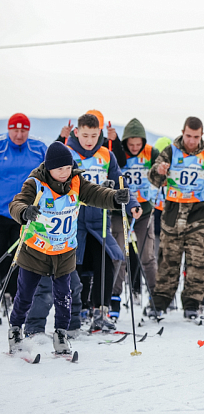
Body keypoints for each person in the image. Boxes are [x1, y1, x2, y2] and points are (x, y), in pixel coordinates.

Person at [7, 142, 129, 354]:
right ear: (49, 168)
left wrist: (114, 198)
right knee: (25, 293)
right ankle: (16, 328)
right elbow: (16, 204)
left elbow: (96, 194)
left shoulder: (76, 182)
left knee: (65, 295)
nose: (64, 173)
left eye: (67, 168)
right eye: (59, 169)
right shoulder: (36, 184)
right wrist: (25, 211)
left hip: (63, 251)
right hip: (35, 250)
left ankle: (61, 334)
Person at [147, 117, 204, 320]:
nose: (192, 141)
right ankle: (160, 301)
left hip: (198, 215)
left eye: (196, 137)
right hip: (172, 215)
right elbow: (154, 177)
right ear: (183, 132)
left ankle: (193, 303)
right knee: (168, 261)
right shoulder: (171, 151)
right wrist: (159, 170)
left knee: (198, 262)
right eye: (189, 136)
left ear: (202, 136)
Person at [67, 114, 140, 332]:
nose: (89, 140)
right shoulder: (67, 152)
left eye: (94, 135)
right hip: (74, 221)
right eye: (85, 135)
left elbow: (120, 182)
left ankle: (100, 311)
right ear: (77, 132)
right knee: (75, 266)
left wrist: (132, 203)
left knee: (107, 261)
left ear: (99, 133)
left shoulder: (106, 155)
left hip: (100, 220)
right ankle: (74, 312)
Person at [110, 118, 160, 318]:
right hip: (120, 211)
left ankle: (156, 298)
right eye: (131, 144)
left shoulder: (151, 152)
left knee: (147, 256)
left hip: (144, 210)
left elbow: (159, 170)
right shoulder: (117, 152)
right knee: (119, 256)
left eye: (138, 144)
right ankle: (114, 298)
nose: (135, 147)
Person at [0, 113, 46, 308]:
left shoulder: (38, 149)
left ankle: (16, 295)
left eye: (23, 131)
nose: (19, 135)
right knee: (3, 253)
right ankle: (3, 291)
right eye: (15, 130)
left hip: (29, 213)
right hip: (2, 212)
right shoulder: (1, 147)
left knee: (22, 256)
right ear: (9, 129)